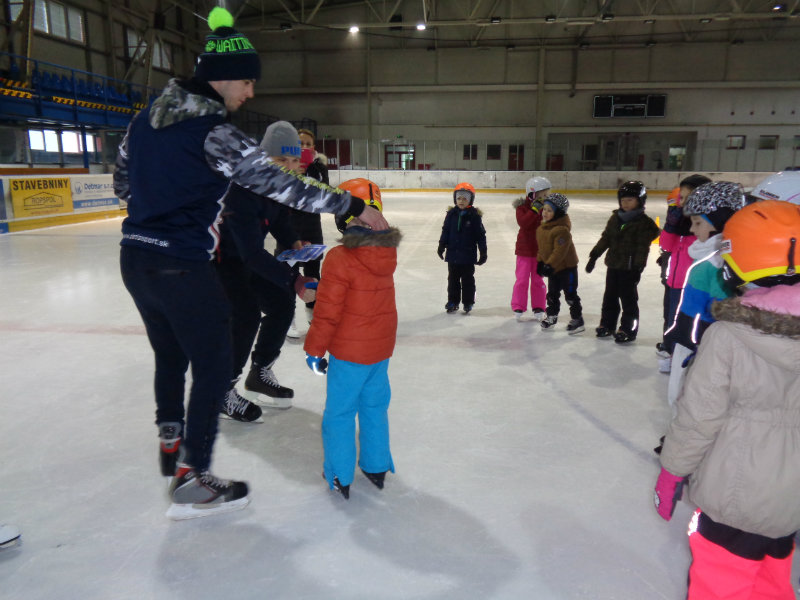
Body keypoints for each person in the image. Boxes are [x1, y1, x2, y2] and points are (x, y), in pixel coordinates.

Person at [114, 7, 388, 520]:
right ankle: (191, 479)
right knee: (216, 365)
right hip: (181, 263)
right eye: (247, 82)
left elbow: (123, 183)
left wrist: (163, 207)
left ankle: (171, 440)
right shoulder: (213, 132)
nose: (250, 93)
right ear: (222, 78)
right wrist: (352, 204)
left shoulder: (143, 120)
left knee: (170, 354)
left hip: (136, 258)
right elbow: (282, 185)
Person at [654, 199, 800, 600]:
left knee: (720, 584)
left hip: (736, 494)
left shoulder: (728, 337)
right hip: (790, 500)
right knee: (772, 582)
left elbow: (698, 417)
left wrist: (672, 470)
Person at [303, 178, 400, 499]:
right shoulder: (385, 254)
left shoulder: (339, 257)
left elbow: (327, 314)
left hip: (348, 355)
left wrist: (314, 350)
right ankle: (376, 465)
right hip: (379, 352)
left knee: (340, 414)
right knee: (374, 407)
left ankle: (339, 473)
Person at [216, 121, 315, 420]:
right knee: (245, 315)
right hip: (220, 264)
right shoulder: (241, 189)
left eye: (294, 160)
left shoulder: (277, 187)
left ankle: (260, 372)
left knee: (281, 304)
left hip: (246, 260)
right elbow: (250, 253)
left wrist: (294, 242)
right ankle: (221, 390)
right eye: (281, 159)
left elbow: (279, 221)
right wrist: (295, 280)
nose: (289, 166)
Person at [662, 181, 744, 411]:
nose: (691, 230)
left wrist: (687, 341)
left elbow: (708, 320)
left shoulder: (713, 266)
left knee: (688, 396)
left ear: (720, 223)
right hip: (696, 341)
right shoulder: (713, 259)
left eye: (697, 223)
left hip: (698, 347)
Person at [585, 181, 660, 344]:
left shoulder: (643, 223)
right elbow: (606, 238)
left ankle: (628, 329)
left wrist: (638, 267)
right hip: (613, 265)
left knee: (628, 300)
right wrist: (594, 255)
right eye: (623, 200)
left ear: (640, 201)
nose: (625, 203)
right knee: (610, 297)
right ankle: (607, 324)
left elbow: (642, 248)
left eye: (630, 200)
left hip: (630, 268)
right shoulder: (615, 218)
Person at [655, 175, 711, 370]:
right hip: (673, 280)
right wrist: (670, 225)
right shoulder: (680, 223)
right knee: (670, 317)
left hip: (690, 283)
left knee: (684, 322)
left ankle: (680, 355)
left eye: (689, 198)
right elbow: (665, 245)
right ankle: (670, 346)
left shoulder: (704, 227)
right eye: (682, 197)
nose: (683, 202)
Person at [280, 127, 329, 338]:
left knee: (312, 273)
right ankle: (288, 319)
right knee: (287, 275)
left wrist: (310, 177)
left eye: (308, 144)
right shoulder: (284, 167)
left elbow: (324, 195)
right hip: (287, 229)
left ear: (314, 147)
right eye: (300, 143)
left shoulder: (319, 168)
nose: (304, 147)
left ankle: (313, 315)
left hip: (312, 228)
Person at [535, 193, 584, 333]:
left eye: (550, 210)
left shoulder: (562, 230)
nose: (545, 213)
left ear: (558, 213)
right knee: (552, 294)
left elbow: (560, 252)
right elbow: (542, 248)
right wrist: (540, 261)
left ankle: (577, 319)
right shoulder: (542, 229)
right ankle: (551, 316)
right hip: (553, 269)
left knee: (570, 295)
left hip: (567, 268)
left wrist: (549, 265)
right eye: (544, 209)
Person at [437, 182, 487, 314]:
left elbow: (480, 236)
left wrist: (483, 252)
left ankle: (468, 302)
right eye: (459, 198)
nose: (461, 201)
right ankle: (453, 301)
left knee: (468, 280)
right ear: (455, 199)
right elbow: (446, 230)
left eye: (465, 198)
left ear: (471, 200)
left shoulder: (475, 216)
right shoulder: (451, 214)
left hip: (468, 256)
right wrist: (441, 245)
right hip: (453, 255)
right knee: (452, 280)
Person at [510, 176, 549, 322]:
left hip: (540, 251)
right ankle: (519, 306)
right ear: (533, 194)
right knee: (522, 280)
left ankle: (539, 307)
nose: (546, 197)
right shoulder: (522, 208)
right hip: (524, 251)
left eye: (547, 194)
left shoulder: (546, 209)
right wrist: (534, 210)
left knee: (538, 280)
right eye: (543, 194)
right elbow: (524, 223)